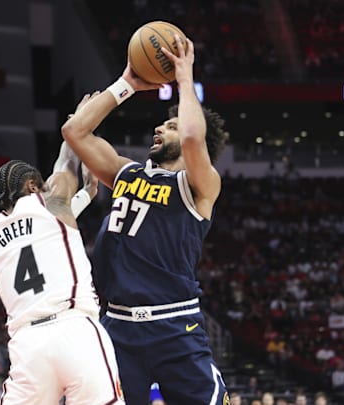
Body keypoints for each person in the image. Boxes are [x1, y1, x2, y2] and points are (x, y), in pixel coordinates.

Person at [62, 34, 229, 405]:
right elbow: (74, 131)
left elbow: (190, 137)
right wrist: (128, 84)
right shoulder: (125, 172)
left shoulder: (199, 186)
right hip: (118, 325)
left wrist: (185, 79)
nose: (159, 128)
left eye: (166, 126)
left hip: (175, 325)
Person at [0, 109, 123, 405]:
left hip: (27, 346)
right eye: (41, 184)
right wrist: (79, 120)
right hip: (73, 329)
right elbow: (67, 160)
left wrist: (82, 197)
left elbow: (39, 233)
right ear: (33, 186)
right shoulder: (52, 200)